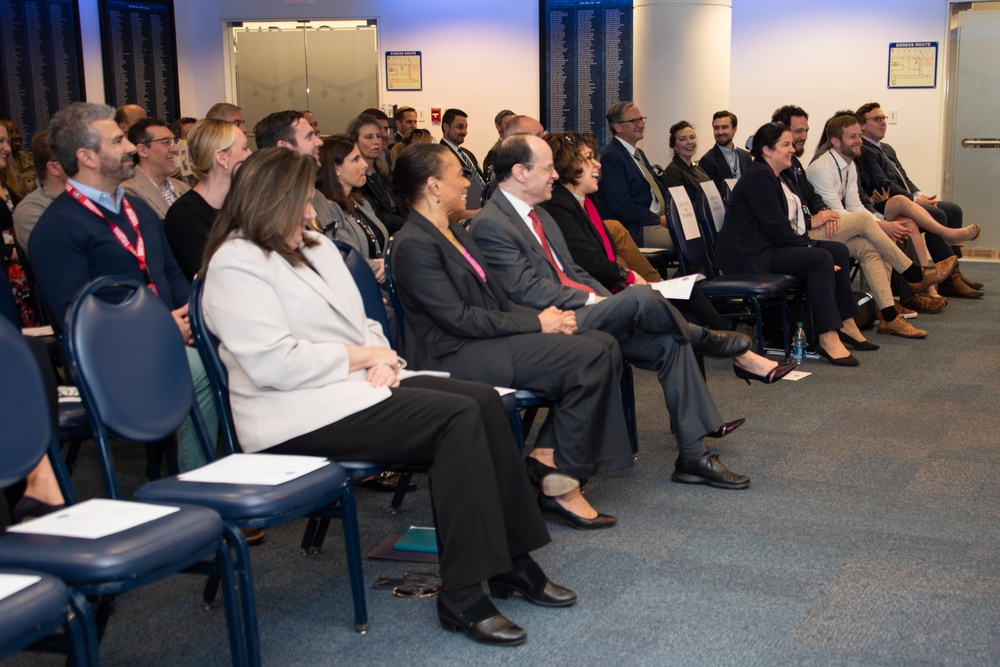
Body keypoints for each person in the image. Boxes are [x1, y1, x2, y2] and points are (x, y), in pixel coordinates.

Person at [200, 146, 572, 646]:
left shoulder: (313, 246)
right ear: (271, 203)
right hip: (292, 414)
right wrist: (364, 357)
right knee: (458, 418)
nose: (312, 213)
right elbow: (275, 364)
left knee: (484, 401)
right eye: (303, 203)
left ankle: (512, 564)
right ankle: (463, 595)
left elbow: (367, 322)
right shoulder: (236, 263)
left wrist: (379, 353)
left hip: (352, 391)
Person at [471, 134, 753, 490]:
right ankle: (705, 337)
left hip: (583, 316)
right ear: (520, 172)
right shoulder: (491, 223)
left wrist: (606, 303)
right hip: (546, 328)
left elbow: (576, 273)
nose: (555, 176)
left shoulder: (539, 215)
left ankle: (693, 457)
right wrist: (601, 304)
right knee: (643, 298)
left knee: (670, 343)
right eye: (548, 169)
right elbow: (526, 291)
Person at [390, 142, 631, 528]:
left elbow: (497, 301)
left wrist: (548, 316)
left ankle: (549, 458)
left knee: (601, 344)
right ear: (434, 186)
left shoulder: (454, 232)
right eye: (457, 174)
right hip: (451, 353)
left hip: (483, 340)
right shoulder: (413, 245)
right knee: (586, 356)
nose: (466, 181)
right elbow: (459, 320)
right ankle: (561, 485)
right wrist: (537, 323)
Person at [28, 102, 217, 475]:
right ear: (87, 157)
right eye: (117, 141)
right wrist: (163, 331)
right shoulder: (57, 229)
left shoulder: (134, 207)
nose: (131, 147)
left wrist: (193, 316)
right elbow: (77, 319)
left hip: (167, 334)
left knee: (238, 345)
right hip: (113, 355)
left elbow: (171, 276)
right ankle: (201, 481)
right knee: (205, 367)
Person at [543, 131, 794, 384]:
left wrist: (637, 278)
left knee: (689, 298)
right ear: (568, 166)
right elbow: (589, 262)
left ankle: (733, 368)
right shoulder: (560, 206)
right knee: (685, 308)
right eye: (589, 159)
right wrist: (631, 277)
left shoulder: (581, 203)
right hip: (601, 297)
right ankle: (741, 355)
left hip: (614, 287)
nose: (598, 164)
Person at [715, 122, 866, 367]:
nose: (792, 150)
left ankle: (846, 322)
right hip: (749, 256)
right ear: (767, 150)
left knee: (837, 250)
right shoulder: (759, 178)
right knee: (820, 259)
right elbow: (777, 229)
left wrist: (808, 245)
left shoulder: (771, 174)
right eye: (785, 145)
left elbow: (781, 229)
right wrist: (809, 248)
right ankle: (828, 336)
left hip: (765, 247)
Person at [805, 115, 953, 338]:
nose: (859, 141)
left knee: (871, 248)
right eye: (853, 136)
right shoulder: (821, 168)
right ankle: (913, 273)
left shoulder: (849, 164)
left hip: (839, 227)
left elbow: (856, 206)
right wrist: (883, 226)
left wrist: (882, 225)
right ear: (836, 141)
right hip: (821, 230)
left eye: (859, 135)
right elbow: (840, 213)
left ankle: (888, 316)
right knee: (871, 226)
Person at [856, 102, 982, 299]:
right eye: (877, 119)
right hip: (886, 204)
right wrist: (914, 201)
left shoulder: (886, 148)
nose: (883, 123)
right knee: (938, 215)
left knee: (953, 210)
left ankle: (953, 273)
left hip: (908, 200)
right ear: (862, 125)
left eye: (884, 118)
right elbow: (883, 184)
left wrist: (919, 195)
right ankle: (948, 280)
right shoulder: (865, 150)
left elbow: (905, 178)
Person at [164, 119, 251, 281]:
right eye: (245, 148)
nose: (250, 155)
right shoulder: (185, 214)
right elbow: (216, 275)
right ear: (221, 157)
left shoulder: (241, 205)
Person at [595, 101, 674, 249]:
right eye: (634, 121)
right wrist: (657, 220)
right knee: (689, 243)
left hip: (655, 220)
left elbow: (655, 188)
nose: (641, 125)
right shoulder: (611, 157)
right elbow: (621, 205)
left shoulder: (638, 154)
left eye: (641, 119)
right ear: (617, 127)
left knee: (699, 235)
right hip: (636, 228)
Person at [316, 135, 389, 281]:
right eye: (356, 159)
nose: (364, 165)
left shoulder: (361, 203)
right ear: (336, 168)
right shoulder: (329, 209)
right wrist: (387, 267)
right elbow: (348, 256)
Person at [347, 114, 407, 233]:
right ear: (355, 142)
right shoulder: (354, 177)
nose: (376, 142)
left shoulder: (384, 169)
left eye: (378, 136)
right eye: (369, 137)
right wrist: (411, 226)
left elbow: (402, 202)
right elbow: (378, 216)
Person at [121, 119, 191, 219]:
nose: (175, 148)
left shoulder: (183, 188)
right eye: (166, 142)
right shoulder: (129, 192)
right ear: (142, 150)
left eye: (174, 141)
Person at [13, 131, 66, 255]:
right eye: (75, 157)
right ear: (54, 168)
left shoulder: (90, 197)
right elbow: (58, 258)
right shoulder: (31, 210)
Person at [440, 108, 488, 217]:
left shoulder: (467, 153)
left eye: (466, 127)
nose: (464, 132)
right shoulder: (441, 156)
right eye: (460, 127)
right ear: (446, 127)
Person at [660, 120, 713, 204]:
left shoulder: (699, 170)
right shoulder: (673, 172)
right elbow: (681, 207)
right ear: (674, 145)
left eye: (692, 137)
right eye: (682, 139)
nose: (689, 142)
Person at [697, 110, 752, 191]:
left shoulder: (746, 156)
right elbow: (712, 196)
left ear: (734, 129)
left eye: (724, 127)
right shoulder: (707, 161)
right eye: (716, 128)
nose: (720, 132)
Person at [484, 109, 515, 177]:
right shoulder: (494, 152)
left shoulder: (519, 147)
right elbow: (493, 181)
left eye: (514, 123)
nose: (512, 126)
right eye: (508, 124)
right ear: (498, 127)